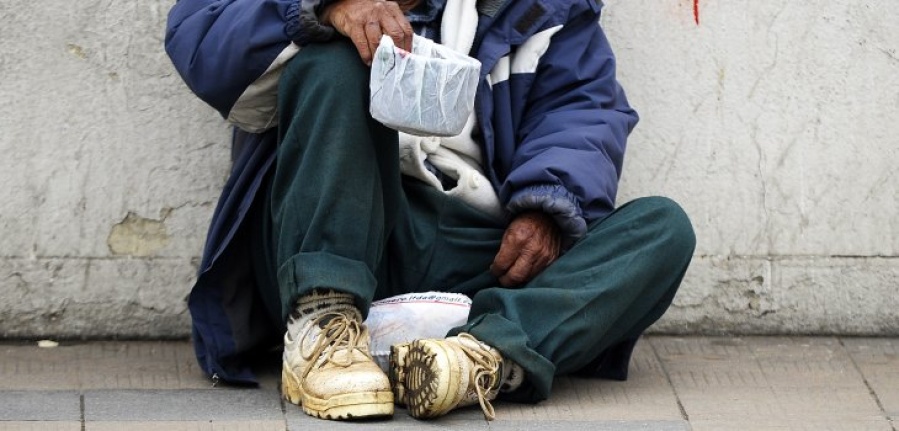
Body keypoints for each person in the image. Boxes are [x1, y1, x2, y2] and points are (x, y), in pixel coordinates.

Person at [165, 0, 695, 422]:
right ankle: (323, 327)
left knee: (662, 230)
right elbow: (201, 31)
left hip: (475, 257)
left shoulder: (545, 10)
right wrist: (326, 8)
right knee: (333, 62)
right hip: (330, 225)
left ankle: (477, 360)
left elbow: (582, 111)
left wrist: (547, 210)